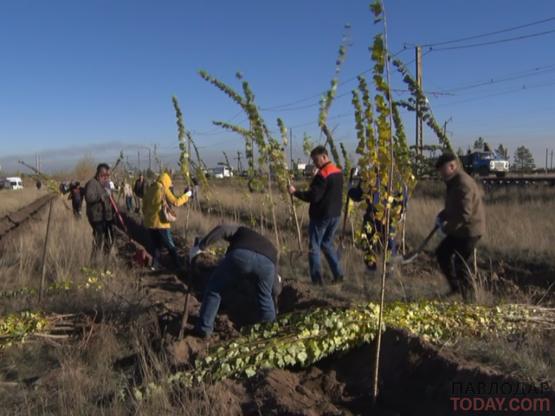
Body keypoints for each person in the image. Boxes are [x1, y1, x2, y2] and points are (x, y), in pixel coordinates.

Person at [189, 224, 282, 338]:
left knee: (214, 289)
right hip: (267, 265)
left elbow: (222, 229)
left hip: (241, 256)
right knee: (265, 298)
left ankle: (204, 329)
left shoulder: (240, 230)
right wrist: (275, 296)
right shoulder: (272, 249)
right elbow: (276, 289)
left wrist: (201, 246)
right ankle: (270, 332)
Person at [288, 146, 344, 285]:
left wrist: (295, 192)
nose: (315, 163)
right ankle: (338, 275)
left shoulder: (323, 174)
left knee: (314, 246)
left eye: (316, 160)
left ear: (324, 157)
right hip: (335, 215)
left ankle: (317, 280)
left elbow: (314, 196)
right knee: (327, 244)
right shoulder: (338, 172)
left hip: (321, 216)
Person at [435, 153, 486, 301]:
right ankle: (456, 288)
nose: (441, 174)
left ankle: (470, 299)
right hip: (459, 229)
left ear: (452, 166)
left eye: (443, 170)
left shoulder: (463, 183)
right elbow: (454, 207)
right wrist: (442, 216)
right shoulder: (453, 182)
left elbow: (464, 214)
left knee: (460, 264)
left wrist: (445, 229)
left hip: (469, 231)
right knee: (442, 253)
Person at [347, 173, 407, 272]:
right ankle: (373, 268)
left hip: (387, 217)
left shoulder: (392, 176)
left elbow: (403, 196)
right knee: (370, 241)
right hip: (373, 217)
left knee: (387, 243)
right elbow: (358, 194)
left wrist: (400, 212)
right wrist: (351, 189)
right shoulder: (370, 177)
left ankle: (388, 268)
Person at [143, 172, 191, 270]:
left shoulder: (149, 189)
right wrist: (187, 195)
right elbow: (176, 202)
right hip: (162, 224)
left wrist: (149, 217)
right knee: (170, 245)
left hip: (150, 224)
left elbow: (144, 207)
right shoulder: (163, 190)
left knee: (156, 245)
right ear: (166, 181)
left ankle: (154, 265)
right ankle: (178, 266)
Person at [85, 164, 115, 263]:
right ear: (99, 174)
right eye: (104, 175)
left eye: (107, 176)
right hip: (97, 218)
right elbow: (89, 197)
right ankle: (93, 263)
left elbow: (109, 199)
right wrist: (101, 196)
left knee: (109, 239)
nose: (106, 178)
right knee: (99, 240)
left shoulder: (104, 184)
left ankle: (105, 260)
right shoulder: (92, 183)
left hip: (105, 217)